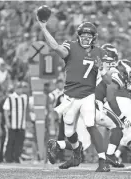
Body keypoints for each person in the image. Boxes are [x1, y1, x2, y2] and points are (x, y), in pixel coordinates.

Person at [37, 12, 111, 172]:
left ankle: (103, 161)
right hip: (70, 96)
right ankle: (77, 152)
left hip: (88, 95)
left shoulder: (101, 53)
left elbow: (109, 80)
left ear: (94, 37)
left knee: (91, 126)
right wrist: (43, 28)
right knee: (69, 132)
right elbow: (56, 47)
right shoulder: (71, 46)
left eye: (88, 35)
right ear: (79, 36)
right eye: (83, 35)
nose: (85, 37)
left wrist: (102, 71)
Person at [3, 82, 28, 163]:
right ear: (15, 89)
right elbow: (6, 110)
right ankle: (8, 158)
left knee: (20, 142)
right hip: (13, 124)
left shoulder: (25, 97)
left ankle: (17, 157)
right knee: (11, 141)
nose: (20, 90)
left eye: (21, 88)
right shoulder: (10, 98)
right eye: (18, 88)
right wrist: (7, 121)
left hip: (21, 124)